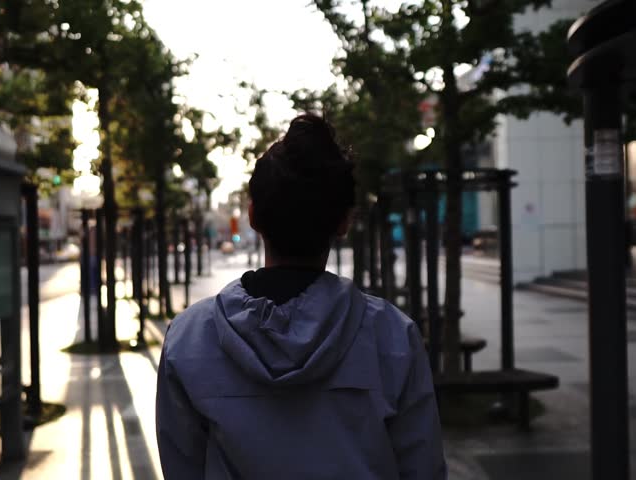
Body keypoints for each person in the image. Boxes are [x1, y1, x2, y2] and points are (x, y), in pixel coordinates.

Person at [156, 113, 446, 479]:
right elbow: (423, 469)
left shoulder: (188, 339)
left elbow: (182, 468)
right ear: (344, 222)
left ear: (253, 216)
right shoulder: (392, 337)